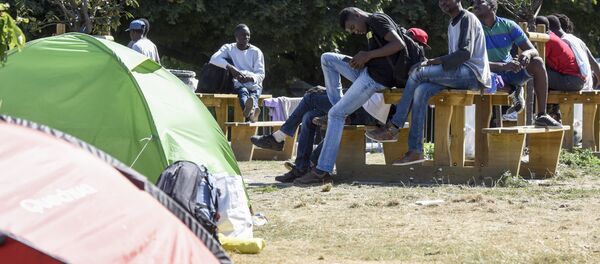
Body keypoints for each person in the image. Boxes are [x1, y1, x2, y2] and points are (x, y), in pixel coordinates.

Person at [291, 7, 408, 184]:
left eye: (353, 27)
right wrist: (364, 60)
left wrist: (367, 55)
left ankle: (322, 170)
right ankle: (345, 113)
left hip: (377, 80)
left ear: (356, 14)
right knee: (327, 58)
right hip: (369, 72)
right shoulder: (370, 27)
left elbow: (398, 44)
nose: (355, 32)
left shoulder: (377, 20)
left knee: (334, 114)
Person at [366, 0, 491, 165]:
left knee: (418, 73)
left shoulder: (467, 18)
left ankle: (394, 126)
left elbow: (464, 54)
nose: (443, 2)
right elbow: (454, 60)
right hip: (460, 74)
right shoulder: (452, 23)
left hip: (473, 75)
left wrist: (432, 62)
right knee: (421, 90)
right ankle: (416, 151)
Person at [250, 86, 380, 183]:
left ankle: (278, 138)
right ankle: (301, 167)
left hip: (363, 111)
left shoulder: (381, 58)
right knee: (308, 116)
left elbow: (367, 88)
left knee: (311, 96)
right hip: (357, 104)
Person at [472, 0, 561, 128]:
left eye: (480, 2)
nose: (475, 5)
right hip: (486, 73)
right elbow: (474, 62)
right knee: (475, 73)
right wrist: (502, 66)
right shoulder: (473, 29)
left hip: (508, 72)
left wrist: (527, 54)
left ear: (492, 6)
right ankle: (511, 89)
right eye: (473, 2)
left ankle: (542, 115)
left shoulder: (509, 25)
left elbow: (533, 50)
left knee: (537, 62)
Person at [209, 24, 265, 122]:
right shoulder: (229, 48)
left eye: (248, 35)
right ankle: (252, 115)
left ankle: (250, 114)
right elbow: (214, 59)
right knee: (243, 93)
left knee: (253, 96)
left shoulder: (256, 52)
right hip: (239, 82)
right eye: (243, 35)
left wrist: (250, 78)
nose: (246, 37)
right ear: (236, 37)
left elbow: (261, 74)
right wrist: (231, 68)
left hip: (254, 83)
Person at [548, 15, 600, 91]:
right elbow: (594, 63)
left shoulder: (562, 42)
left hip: (577, 86)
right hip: (587, 86)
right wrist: (595, 85)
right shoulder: (577, 39)